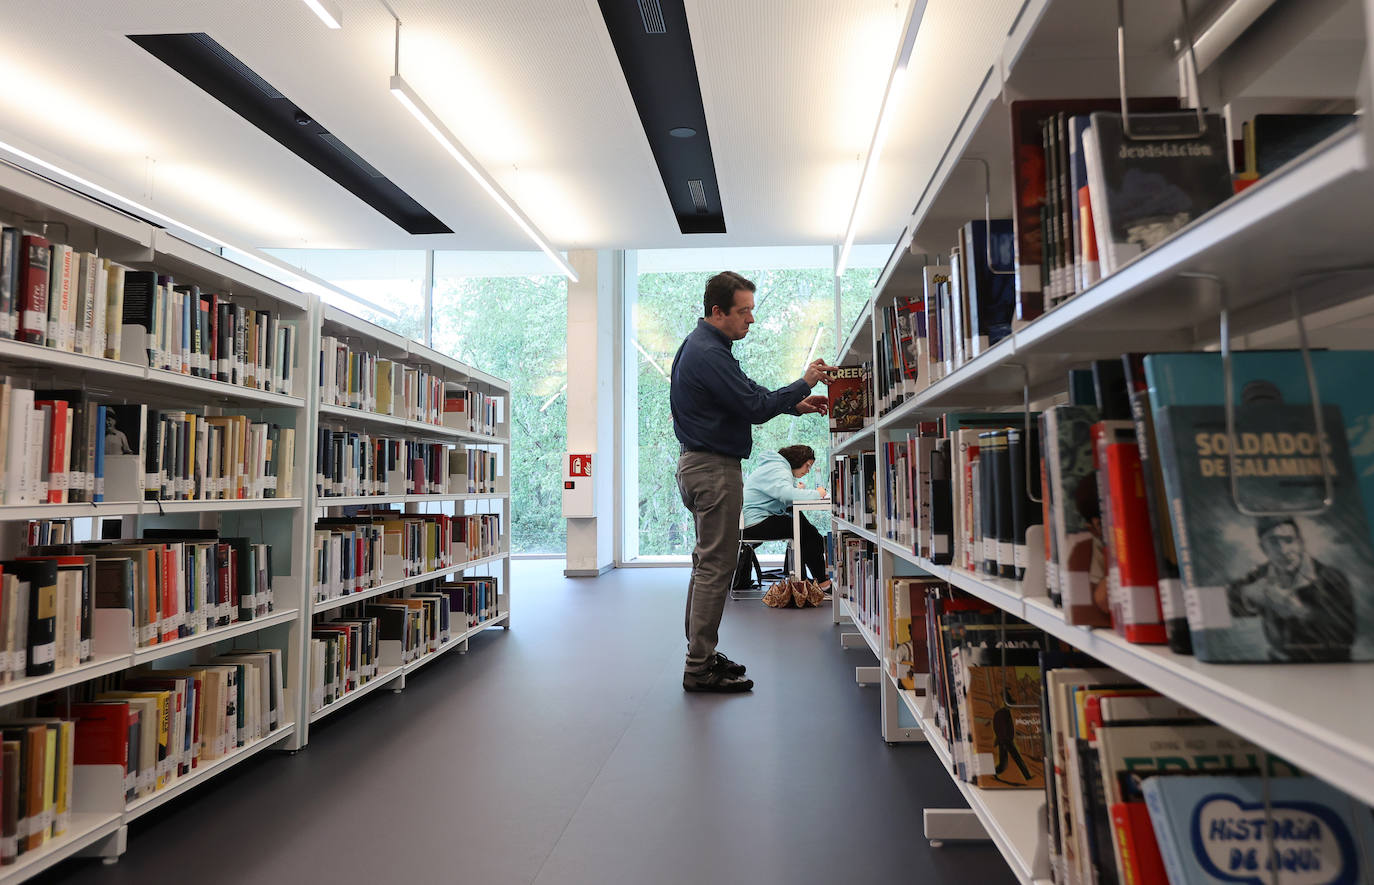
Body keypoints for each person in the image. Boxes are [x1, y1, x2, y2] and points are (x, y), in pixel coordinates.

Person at [672, 271, 835, 693]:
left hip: (699, 465)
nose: (751, 319)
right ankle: (698, 667)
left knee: (706, 565)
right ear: (717, 311)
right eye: (744, 311)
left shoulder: (705, 347)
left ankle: (701, 655)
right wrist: (805, 381)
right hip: (713, 469)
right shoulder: (709, 353)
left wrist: (797, 404)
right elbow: (754, 407)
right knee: (716, 567)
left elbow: (749, 393)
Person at [1227, 516, 1355, 661]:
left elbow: (1346, 635)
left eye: (1289, 540)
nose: (1283, 550)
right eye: (1273, 542)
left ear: (1301, 542)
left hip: (1329, 664)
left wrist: (1300, 610)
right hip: (1278, 663)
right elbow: (1215, 610)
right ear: (1263, 548)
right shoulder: (1260, 575)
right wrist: (1248, 593)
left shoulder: (1331, 578)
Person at [741, 444, 831, 592]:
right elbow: (786, 495)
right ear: (798, 460)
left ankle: (808, 579)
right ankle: (820, 581)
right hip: (754, 523)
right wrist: (818, 494)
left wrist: (797, 491)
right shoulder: (779, 469)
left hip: (753, 520)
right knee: (808, 533)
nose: (807, 471)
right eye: (807, 466)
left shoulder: (775, 467)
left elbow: (783, 495)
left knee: (802, 525)